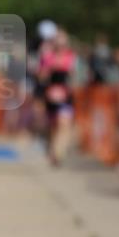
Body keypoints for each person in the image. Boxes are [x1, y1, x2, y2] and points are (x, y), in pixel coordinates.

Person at [39, 28, 77, 166]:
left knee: (64, 124)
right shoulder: (48, 57)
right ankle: (52, 148)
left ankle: (58, 152)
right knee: (53, 126)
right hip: (51, 96)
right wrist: (49, 68)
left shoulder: (71, 56)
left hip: (66, 96)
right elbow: (42, 77)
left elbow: (75, 77)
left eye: (63, 40)